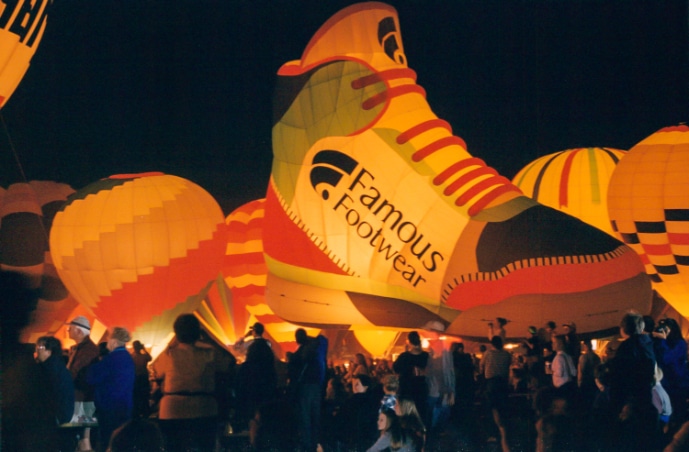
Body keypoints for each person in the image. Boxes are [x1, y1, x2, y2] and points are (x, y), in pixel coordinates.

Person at [151, 313, 230, 451]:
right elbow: (230, 362)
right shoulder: (210, 353)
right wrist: (209, 339)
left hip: (172, 409)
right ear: (198, 332)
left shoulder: (170, 355)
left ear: (176, 333)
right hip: (204, 407)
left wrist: (173, 341)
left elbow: (156, 370)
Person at [87, 327, 135, 450]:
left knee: (107, 442)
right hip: (125, 407)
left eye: (108, 339)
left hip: (108, 408)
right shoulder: (128, 358)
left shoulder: (111, 359)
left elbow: (91, 377)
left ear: (113, 341)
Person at [608, 311, 656, 416]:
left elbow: (620, 376)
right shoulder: (648, 343)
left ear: (625, 328)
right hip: (646, 394)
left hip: (630, 400)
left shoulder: (627, 347)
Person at [236, 321, 278, 430]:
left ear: (253, 331)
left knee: (252, 408)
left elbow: (236, 347)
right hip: (266, 380)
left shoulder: (250, 344)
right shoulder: (267, 344)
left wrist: (245, 336)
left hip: (253, 380)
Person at [292, 328, 329, 451]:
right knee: (315, 417)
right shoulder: (316, 350)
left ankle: (307, 445)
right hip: (317, 388)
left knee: (305, 418)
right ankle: (315, 443)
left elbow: (294, 373)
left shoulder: (301, 354)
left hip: (305, 388)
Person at [653, 317, 689, 429]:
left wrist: (663, 341)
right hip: (665, 384)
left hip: (678, 384)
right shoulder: (659, 344)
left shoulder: (680, 343)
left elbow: (667, 359)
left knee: (678, 412)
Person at [480, 335, 512, 452]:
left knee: (491, 407)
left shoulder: (488, 353)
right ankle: (503, 430)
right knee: (502, 407)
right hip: (503, 383)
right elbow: (508, 366)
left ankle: (494, 432)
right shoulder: (506, 354)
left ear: (492, 344)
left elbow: (481, 366)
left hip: (491, 383)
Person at [35, 335, 75, 425]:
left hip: (51, 418)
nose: (37, 350)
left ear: (49, 351)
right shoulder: (60, 367)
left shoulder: (48, 369)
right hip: (61, 416)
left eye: (40, 347)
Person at [66, 315, 100, 422]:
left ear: (79, 331)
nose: (68, 331)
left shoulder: (87, 351)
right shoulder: (83, 348)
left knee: (82, 426)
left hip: (83, 396)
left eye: (70, 328)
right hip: (83, 395)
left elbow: (76, 373)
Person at [394, 331, 430, 428]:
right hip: (421, 389)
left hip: (407, 390)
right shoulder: (426, 356)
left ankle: (408, 437)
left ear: (409, 342)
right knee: (421, 415)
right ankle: (421, 436)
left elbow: (395, 368)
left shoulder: (404, 357)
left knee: (407, 417)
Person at [451, 341, 475, 419]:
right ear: (460, 348)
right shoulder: (466, 357)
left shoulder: (452, 357)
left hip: (457, 383)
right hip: (466, 384)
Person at [578, 338, 601, 410]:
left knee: (585, 402)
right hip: (594, 381)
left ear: (585, 346)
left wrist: (579, 382)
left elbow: (581, 371)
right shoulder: (597, 357)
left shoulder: (583, 357)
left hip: (585, 381)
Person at [130, 340, 152, 418]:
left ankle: (137, 415)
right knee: (144, 397)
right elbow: (150, 358)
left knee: (137, 397)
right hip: (142, 379)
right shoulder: (143, 356)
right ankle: (145, 413)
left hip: (136, 379)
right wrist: (144, 349)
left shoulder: (132, 356)